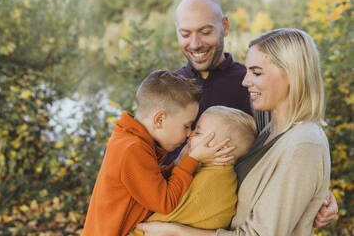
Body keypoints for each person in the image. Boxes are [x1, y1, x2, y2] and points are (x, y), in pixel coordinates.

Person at [163, 0, 338, 227]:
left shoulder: (259, 94)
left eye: (205, 31)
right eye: (185, 33)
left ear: (224, 26)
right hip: (173, 211)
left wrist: (316, 195)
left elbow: (290, 160)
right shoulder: (166, 89)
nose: (195, 44)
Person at [137, 28, 333, 235]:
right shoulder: (269, 130)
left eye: (256, 72)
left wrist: (177, 232)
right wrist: (315, 193)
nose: (245, 81)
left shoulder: (304, 144)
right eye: (247, 71)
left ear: (294, 74)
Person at [81, 70, 234, 236]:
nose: (190, 133)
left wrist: (179, 163)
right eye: (186, 125)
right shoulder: (131, 149)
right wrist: (192, 160)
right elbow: (165, 202)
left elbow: (150, 184)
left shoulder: (131, 140)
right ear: (159, 120)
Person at [130, 106, 257, 236]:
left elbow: (153, 224)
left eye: (198, 133)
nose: (190, 134)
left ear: (222, 150)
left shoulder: (209, 183)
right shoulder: (218, 174)